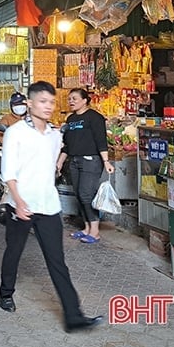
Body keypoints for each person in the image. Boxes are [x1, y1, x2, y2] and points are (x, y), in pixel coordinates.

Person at [0, 81, 102, 332]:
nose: (48, 106)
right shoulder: (16, 133)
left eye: (52, 102)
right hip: (21, 205)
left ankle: (74, 316)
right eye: (43, 101)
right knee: (14, 251)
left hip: (48, 206)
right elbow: (8, 171)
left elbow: (53, 165)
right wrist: (19, 201)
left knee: (57, 261)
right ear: (30, 103)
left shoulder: (55, 135)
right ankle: (5, 292)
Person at [56, 88, 115, 244]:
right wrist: (60, 161)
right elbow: (67, 145)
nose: (71, 101)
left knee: (86, 194)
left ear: (85, 100)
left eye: (75, 98)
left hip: (91, 160)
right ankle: (87, 228)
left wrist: (106, 161)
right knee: (78, 194)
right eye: (69, 99)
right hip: (74, 161)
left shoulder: (95, 118)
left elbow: (101, 141)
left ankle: (95, 231)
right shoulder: (70, 120)